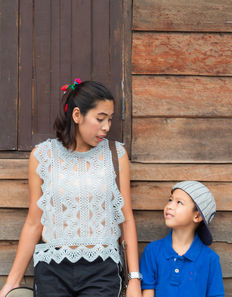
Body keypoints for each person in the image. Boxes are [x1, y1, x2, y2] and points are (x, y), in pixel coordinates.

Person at [0, 80, 142, 297]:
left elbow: (127, 219)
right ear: (77, 115)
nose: (106, 127)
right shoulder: (43, 156)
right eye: (100, 118)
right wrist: (12, 282)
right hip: (53, 270)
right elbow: (34, 221)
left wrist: (133, 279)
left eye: (110, 119)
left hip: (102, 270)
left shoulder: (116, 155)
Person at [139, 180, 225, 297]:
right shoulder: (152, 251)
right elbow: (148, 290)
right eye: (170, 200)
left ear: (197, 216)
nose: (169, 206)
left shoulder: (210, 259)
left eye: (179, 202)